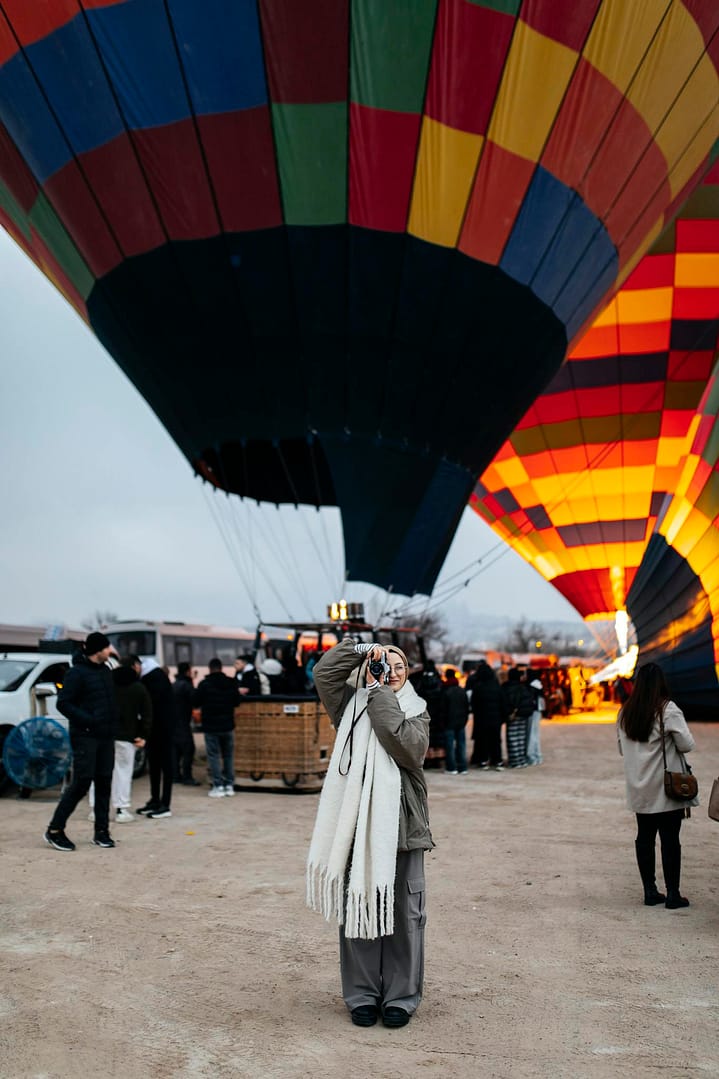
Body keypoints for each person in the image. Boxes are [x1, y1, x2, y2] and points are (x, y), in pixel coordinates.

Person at [307, 638, 433, 1029]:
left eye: (398, 665)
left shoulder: (417, 711)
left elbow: (404, 745)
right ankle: (361, 994)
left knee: (403, 915)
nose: (391, 670)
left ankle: (400, 997)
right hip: (358, 823)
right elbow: (324, 673)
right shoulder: (350, 707)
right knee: (358, 906)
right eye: (384, 663)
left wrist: (378, 691)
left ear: (408, 672)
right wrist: (363, 649)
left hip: (402, 828)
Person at [617, 663, 697, 908]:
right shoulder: (667, 710)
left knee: (644, 837)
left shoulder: (625, 712)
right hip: (665, 787)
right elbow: (687, 745)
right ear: (661, 683)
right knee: (670, 838)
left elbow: (622, 749)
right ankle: (673, 894)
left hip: (639, 786)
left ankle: (650, 891)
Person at [44, 632, 119, 851]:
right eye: (107, 648)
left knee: (104, 782)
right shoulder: (76, 674)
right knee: (81, 783)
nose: (110, 651)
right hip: (86, 736)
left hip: (106, 736)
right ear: (98, 650)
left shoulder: (106, 671)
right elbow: (63, 704)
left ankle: (101, 832)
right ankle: (55, 830)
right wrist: (89, 721)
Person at [89, 656, 152, 824]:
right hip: (127, 737)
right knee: (123, 773)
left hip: (104, 735)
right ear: (135, 666)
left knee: (100, 773)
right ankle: (121, 809)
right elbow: (147, 714)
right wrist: (143, 735)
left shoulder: (107, 683)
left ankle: (95, 810)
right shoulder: (138, 687)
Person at [193, 657, 240, 797]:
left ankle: (218, 785)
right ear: (221, 668)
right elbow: (237, 702)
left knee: (213, 756)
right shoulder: (231, 683)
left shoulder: (204, 684)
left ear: (210, 668)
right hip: (228, 725)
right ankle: (229, 785)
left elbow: (196, 701)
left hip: (211, 726)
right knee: (228, 755)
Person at [137, 657, 176, 819]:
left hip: (161, 731)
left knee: (162, 767)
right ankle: (156, 800)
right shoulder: (157, 678)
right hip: (161, 730)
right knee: (157, 767)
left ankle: (164, 804)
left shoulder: (152, 680)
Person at [469, 660, 504, 769]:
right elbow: (502, 702)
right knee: (496, 739)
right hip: (495, 718)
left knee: (483, 739)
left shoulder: (478, 687)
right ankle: (497, 760)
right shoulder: (497, 686)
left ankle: (484, 760)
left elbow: (474, 704)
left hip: (482, 718)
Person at [500, 668, 534, 768]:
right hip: (523, 715)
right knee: (521, 738)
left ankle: (514, 761)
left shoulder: (506, 687)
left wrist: (508, 713)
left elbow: (504, 701)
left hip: (512, 715)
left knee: (512, 738)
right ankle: (521, 760)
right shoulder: (523, 687)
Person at [173, 661, 199, 785]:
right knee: (189, 749)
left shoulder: (174, 684)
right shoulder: (187, 685)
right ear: (188, 671)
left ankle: (175, 775)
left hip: (174, 721)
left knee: (176, 750)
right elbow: (195, 700)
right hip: (183, 720)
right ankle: (187, 777)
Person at [441, 668, 468, 774]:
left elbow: (443, 709)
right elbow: (466, 707)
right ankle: (463, 767)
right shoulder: (462, 690)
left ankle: (451, 767)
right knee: (461, 744)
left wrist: (442, 722)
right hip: (461, 722)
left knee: (450, 745)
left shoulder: (445, 691)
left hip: (449, 722)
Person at [526, 678, 545, 766]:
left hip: (533, 712)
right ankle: (537, 756)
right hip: (537, 711)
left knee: (531, 735)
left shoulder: (532, 686)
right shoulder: (539, 685)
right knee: (535, 735)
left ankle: (532, 756)